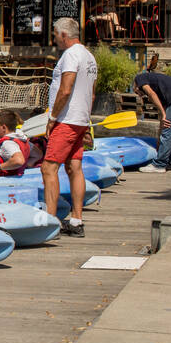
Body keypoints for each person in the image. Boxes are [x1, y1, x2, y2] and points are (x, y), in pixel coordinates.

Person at [42, 16, 97, 236]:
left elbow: (66, 89)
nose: (55, 39)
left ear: (64, 35)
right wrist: (86, 121)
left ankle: (51, 222)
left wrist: (53, 117)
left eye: (55, 35)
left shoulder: (71, 55)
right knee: (75, 168)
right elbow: (91, 94)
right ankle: (76, 221)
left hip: (66, 120)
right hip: (80, 119)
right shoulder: (89, 56)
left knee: (48, 168)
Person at [134, 68, 171, 172]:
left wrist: (164, 115)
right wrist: (159, 137)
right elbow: (162, 114)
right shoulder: (160, 89)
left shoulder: (139, 79)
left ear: (135, 86)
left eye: (137, 92)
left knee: (168, 129)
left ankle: (159, 165)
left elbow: (151, 94)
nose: (139, 95)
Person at [0, 109, 30, 177]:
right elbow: (37, 155)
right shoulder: (22, 139)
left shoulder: (7, 143)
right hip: (17, 177)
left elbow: (19, 160)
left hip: (6, 179)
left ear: (3, 127)